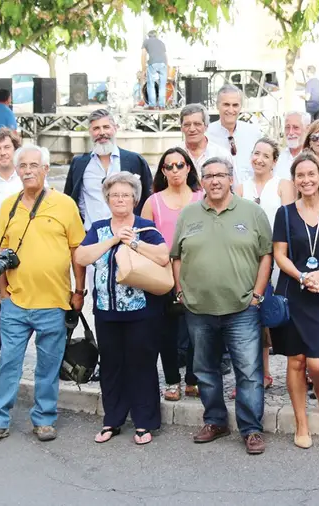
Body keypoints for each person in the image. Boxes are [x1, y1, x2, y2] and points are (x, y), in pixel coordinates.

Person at [0, 145, 86, 446]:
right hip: (15, 299)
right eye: (22, 166)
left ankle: (44, 419)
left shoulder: (65, 205)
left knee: (48, 366)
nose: (28, 170)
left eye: (33, 165)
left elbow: (76, 252)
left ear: (45, 169)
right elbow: (2, 252)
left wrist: (78, 292)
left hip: (54, 301)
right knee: (8, 363)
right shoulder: (8, 207)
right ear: (16, 171)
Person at [171, 157, 272, 455]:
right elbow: (176, 255)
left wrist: (257, 295)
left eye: (221, 175)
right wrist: (180, 291)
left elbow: (266, 254)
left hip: (242, 308)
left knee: (249, 372)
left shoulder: (252, 212)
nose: (214, 180)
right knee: (205, 370)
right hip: (198, 309)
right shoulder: (188, 214)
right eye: (209, 175)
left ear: (231, 178)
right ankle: (215, 421)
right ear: (201, 181)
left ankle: (251, 429)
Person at [74, 172, 169, 445]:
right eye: (114, 195)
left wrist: (133, 242)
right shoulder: (99, 227)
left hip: (142, 311)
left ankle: (144, 422)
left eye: (125, 195)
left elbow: (164, 256)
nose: (120, 199)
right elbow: (81, 256)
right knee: (111, 366)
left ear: (135, 199)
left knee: (142, 365)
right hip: (106, 310)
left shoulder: (145, 226)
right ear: (106, 199)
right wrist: (114, 240)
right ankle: (112, 420)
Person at [271, 153, 319, 449]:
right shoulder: (285, 213)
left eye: (311, 174)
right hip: (294, 293)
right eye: (300, 175)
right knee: (296, 361)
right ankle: (302, 422)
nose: (306, 180)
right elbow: (280, 254)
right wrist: (303, 277)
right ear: (295, 180)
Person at [141, 147, 203, 402]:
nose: (175, 170)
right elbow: (142, 238)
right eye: (169, 166)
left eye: (180, 165)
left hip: (198, 272)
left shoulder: (202, 198)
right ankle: (171, 380)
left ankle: (193, 379)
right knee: (166, 332)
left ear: (189, 167)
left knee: (198, 331)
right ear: (163, 171)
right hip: (162, 274)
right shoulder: (152, 201)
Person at [235, 138, 294, 393]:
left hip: (279, 258)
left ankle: (297, 371)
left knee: (281, 314)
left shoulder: (283, 186)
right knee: (252, 318)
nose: (259, 159)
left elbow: (290, 223)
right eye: (255, 153)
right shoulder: (240, 188)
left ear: (274, 160)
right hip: (248, 260)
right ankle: (260, 373)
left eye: (265, 155)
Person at [64, 109, 153, 232]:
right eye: (96, 128)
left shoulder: (134, 161)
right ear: (90, 132)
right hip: (90, 236)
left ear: (115, 128)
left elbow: (147, 198)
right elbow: (69, 200)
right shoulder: (79, 163)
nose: (102, 133)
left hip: (127, 235)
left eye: (106, 127)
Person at [207, 84, 263, 184]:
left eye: (235, 105)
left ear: (241, 106)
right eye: (226, 105)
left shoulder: (254, 133)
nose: (231, 110)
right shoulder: (206, 134)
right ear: (217, 106)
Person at [178, 103, 234, 170]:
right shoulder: (173, 155)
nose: (192, 129)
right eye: (187, 125)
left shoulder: (221, 155)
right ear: (181, 128)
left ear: (206, 127)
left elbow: (232, 180)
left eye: (197, 124)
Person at [275, 111, 311, 180]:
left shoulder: (314, 156)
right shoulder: (278, 156)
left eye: (296, 127)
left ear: (307, 129)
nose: (290, 132)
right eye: (287, 128)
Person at [141, 30, 168, 110]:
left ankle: (152, 105)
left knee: (151, 84)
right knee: (162, 85)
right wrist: (166, 66)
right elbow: (165, 56)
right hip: (163, 63)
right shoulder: (161, 42)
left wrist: (143, 69)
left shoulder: (146, 42)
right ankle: (162, 106)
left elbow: (143, 55)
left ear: (148, 36)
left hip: (153, 63)